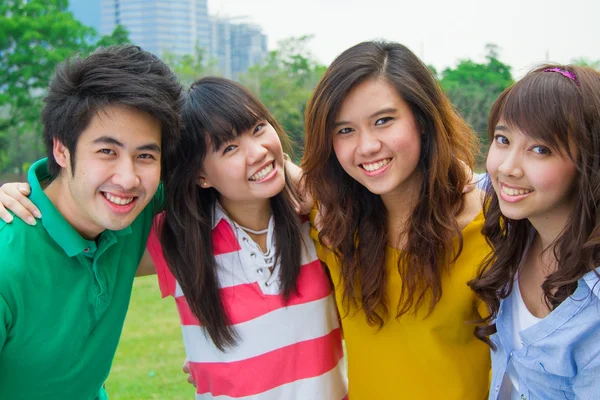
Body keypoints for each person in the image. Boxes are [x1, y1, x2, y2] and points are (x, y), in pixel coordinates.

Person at [301, 40, 491, 399]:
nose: (367, 145)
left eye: (383, 121)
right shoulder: (332, 227)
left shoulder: (488, 231)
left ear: (422, 120)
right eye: (345, 130)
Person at [144, 76, 346, 399]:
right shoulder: (178, 237)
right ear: (200, 175)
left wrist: (293, 173)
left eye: (258, 128)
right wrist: (35, 198)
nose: (258, 152)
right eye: (230, 148)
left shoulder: (315, 219)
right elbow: (88, 241)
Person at [0, 45, 182, 400]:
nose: (128, 179)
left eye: (145, 155)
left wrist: (281, 164)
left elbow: (235, 166)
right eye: (106, 151)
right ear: (61, 150)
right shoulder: (7, 261)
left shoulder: (134, 209)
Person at [468, 65, 600, 399]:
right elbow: (451, 180)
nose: (508, 167)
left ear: (589, 161)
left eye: (540, 149)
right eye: (503, 139)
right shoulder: (519, 221)